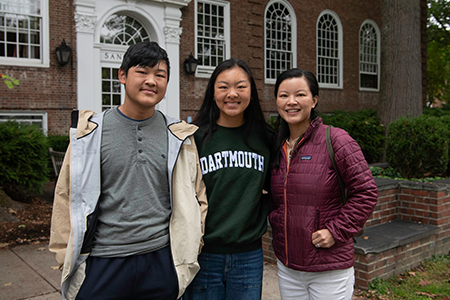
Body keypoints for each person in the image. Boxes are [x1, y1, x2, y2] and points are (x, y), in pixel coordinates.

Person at [49, 41, 207, 300]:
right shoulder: (90, 134)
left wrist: (192, 246)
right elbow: (65, 196)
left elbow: (197, 195)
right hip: (102, 263)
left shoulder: (179, 136)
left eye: (160, 75)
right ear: (122, 75)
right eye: (142, 71)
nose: (151, 81)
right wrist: (65, 257)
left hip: (161, 262)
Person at [268, 68, 378, 300]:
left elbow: (366, 192)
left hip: (328, 268)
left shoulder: (336, 139)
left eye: (300, 94)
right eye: (283, 95)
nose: (291, 102)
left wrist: (335, 231)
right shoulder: (275, 147)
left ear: (314, 100)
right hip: (288, 266)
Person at [184, 58, 274, 300]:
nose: (232, 94)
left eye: (240, 87)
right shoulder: (195, 139)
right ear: (213, 93)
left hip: (249, 255)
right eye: (223, 87)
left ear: (251, 93)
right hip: (204, 254)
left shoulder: (266, 139)